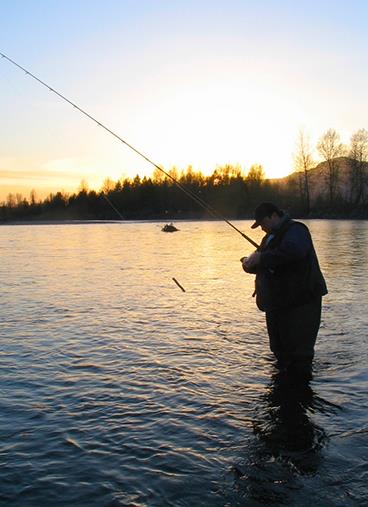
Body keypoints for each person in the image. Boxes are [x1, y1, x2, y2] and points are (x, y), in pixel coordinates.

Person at [242, 202, 327, 380]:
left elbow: (293, 252)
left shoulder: (296, 230)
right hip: (278, 303)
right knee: (280, 351)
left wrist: (261, 257)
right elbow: (269, 262)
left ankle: (300, 392)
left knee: (299, 353)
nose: (262, 228)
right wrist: (249, 264)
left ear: (274, 215)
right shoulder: (269, 237)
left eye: (263, 222)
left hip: (302, 302)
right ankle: (284, 388)